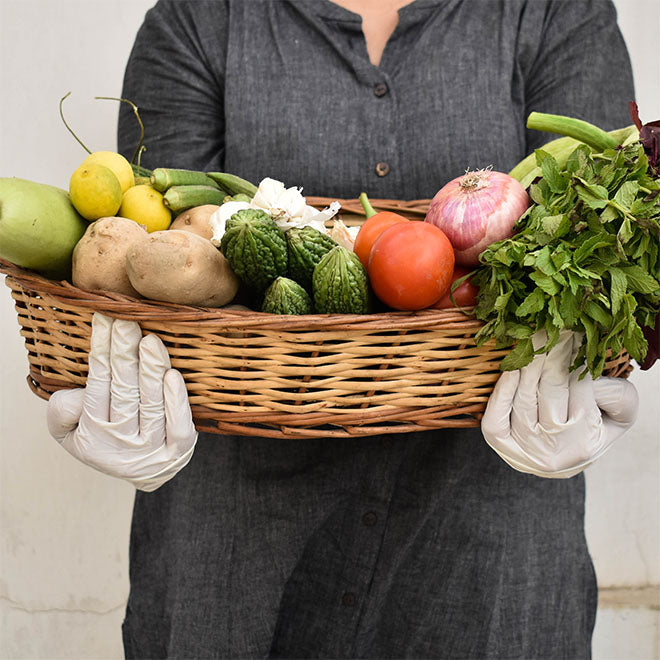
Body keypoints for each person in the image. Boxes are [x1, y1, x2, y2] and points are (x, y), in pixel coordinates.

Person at [46, 1, 640, 657]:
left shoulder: (556, 13)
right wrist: (124, 385)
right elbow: (155, 248)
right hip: (233, 544)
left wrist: (588, 365)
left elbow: (605, 228)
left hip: (488, 541)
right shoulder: (197, 20)